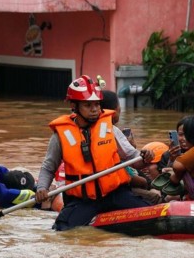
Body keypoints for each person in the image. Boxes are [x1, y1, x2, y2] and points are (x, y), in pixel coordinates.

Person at [35, 75, 154, 231]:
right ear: (74, 105)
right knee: (62, 230)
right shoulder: (60, 136)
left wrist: (145, 157)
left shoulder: (110, 129)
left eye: (97, 104)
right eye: (88, 105)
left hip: (115, 194)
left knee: (150, 217)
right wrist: (42, 188)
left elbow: (133, 158)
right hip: (83, 200)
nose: (95, 110)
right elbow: (48, 167)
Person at [164, 115, 194, 200]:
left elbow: (176, 174)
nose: (183, 138)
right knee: (169, 198)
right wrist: (172, 159)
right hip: (191, 194)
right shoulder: (171, 153)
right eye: (180, 135)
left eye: (187, 135)